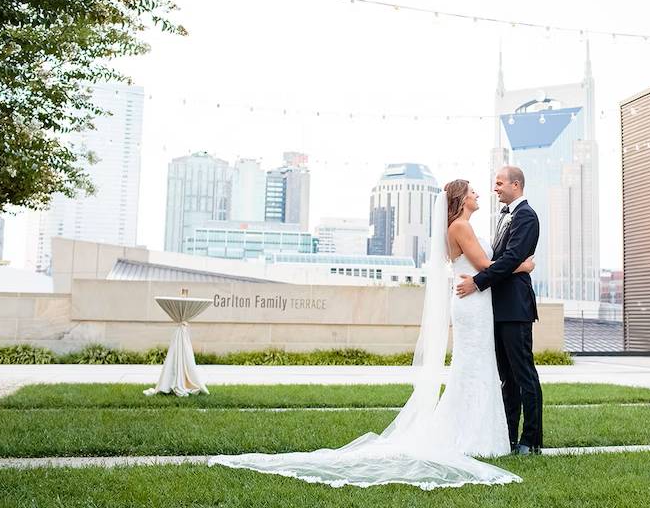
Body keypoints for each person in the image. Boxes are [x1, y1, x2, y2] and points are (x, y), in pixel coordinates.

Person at [208, 179, 535, 490]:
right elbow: (483, 264)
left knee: (474, 367)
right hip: (472, 301)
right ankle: (474, 435)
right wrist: (523, 266)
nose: (479, 194)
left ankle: (477, 433)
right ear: (461, 198)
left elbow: (483, 264)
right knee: (474, 367)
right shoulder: (460, 227)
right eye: (473, 191)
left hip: (473, 302)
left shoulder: (460, 227)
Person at [455, 165, 543, 455]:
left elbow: (509, 260)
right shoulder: (505, 217)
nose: (495, 188)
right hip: (497, 307)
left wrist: (477, 283)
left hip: (515, 307)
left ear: (515, 185)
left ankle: (531, 440)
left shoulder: (527, 216)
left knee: (524, 374)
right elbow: (504, 260)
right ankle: (508, 437)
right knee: (508, 377)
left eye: (500, 183)